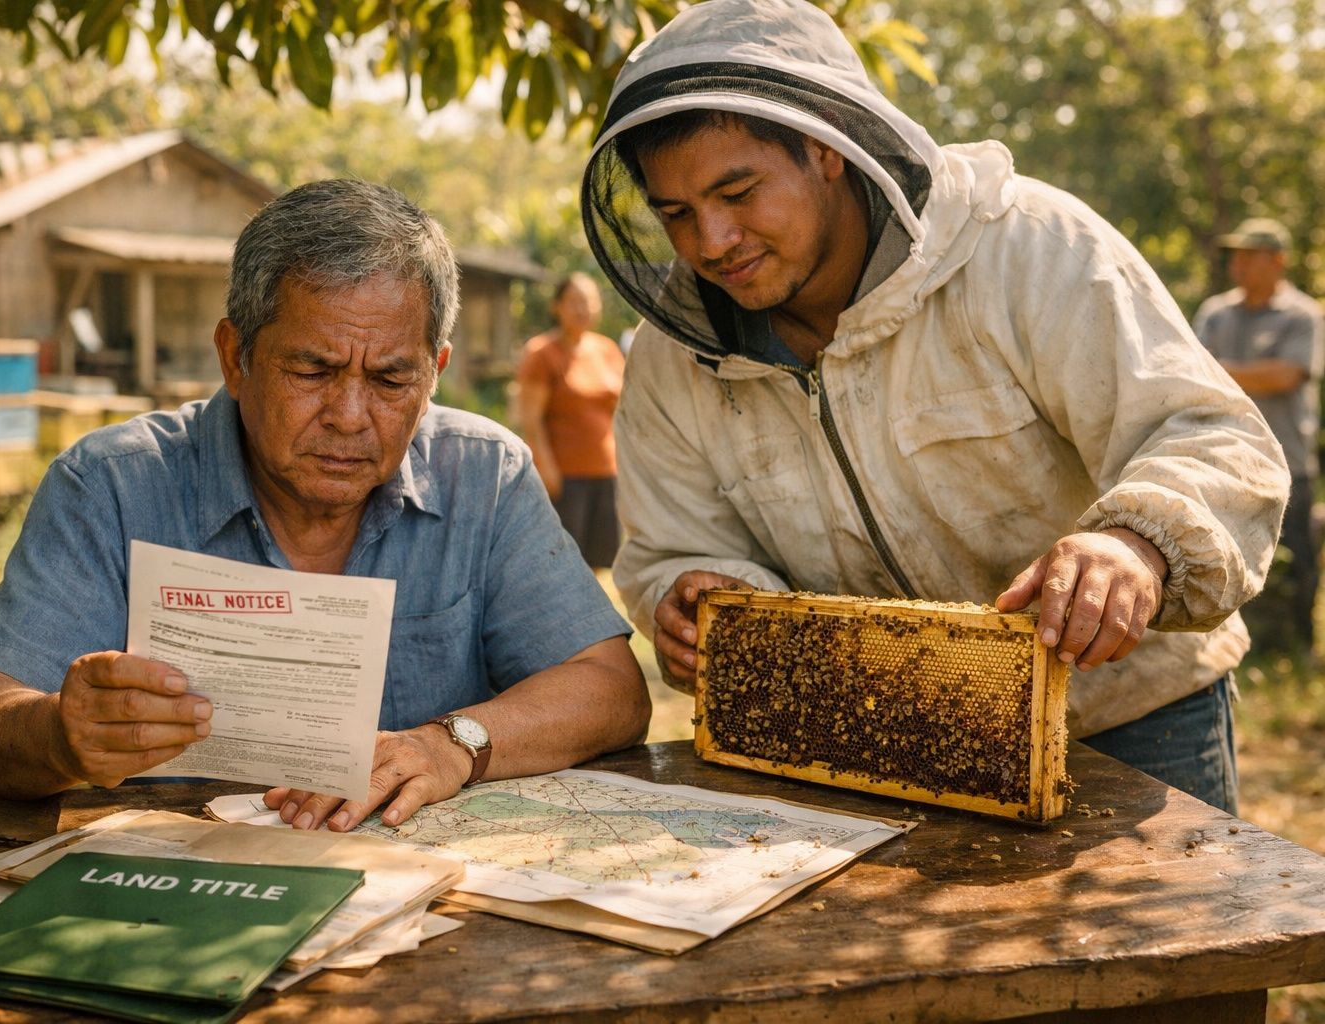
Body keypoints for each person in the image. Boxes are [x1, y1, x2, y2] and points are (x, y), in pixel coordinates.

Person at [579, 0, 1288, 812]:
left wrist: (1135, 546)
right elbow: (671, 547)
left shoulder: (1027, 246)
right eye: (676, 213)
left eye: (737, 191)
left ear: (825, 145)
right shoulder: (672, 360)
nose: (711, 241)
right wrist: (693, 600)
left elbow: (1211, 434)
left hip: (1127, 721)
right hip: (868, 743)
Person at [0, 179, 650, 831]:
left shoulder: (482, 475)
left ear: (433, 375)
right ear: (236, 357)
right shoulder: (111, 486)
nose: (350, 416)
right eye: (312, 371)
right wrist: (60, 735)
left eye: (389, 379)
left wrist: (455, 744)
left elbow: (611, 690)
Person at [1194, 218, 1325, 654]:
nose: (1239, 265)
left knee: (1297, 561)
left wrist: (1221, 370)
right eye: (1236, 256)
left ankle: (1297, 646)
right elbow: (1190, 373)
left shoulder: (1303, 315)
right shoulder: (1216, 312)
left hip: (1288, 463)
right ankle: (1242, 647)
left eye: (1250, 256)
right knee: (1225, 557)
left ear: (1278, 261)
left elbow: (1287, 374)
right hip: (1224, 462)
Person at [514, 272, 627, 568]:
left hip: (606, 472)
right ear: (557, 307)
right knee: (562, 561)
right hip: (564, 477)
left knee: (600, 562)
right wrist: (547, 469)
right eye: (574, 301)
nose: (582, 309)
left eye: (589, 301)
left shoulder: (607, 350)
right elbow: (531, 419)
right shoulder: (542, 353)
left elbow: (623, 412)